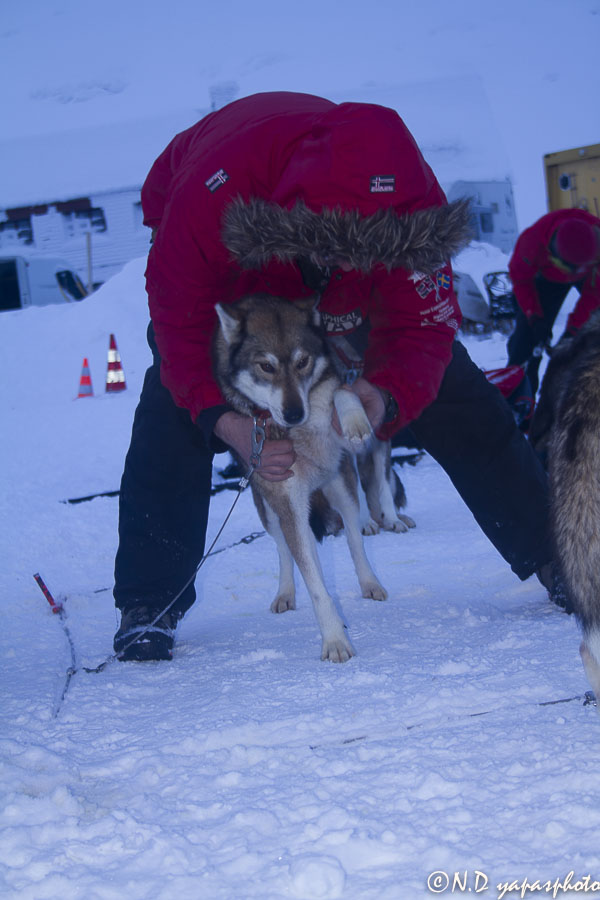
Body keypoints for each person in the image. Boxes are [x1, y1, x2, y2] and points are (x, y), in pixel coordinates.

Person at [113, 91, 554, 662]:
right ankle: (151, 597)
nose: (349, 266)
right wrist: (222, 419)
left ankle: (556, 552)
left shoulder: (413, 211)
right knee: (171, 406)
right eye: (339, 256)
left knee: (457, 390)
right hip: (236, 249)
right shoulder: (210, 200)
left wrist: (384, 389)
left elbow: (424, 328)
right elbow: (179, 323)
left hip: (317, 250)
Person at [507, 209, 600, 395]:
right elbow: (521, 280)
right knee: (524, 342)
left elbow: (594, 296)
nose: (571, 276)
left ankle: (576, 392)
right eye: (567, 268)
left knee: (590, 333)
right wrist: (533, 316)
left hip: (591, 274)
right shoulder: (531, 243)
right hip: (547, 280)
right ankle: (520, 400)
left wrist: (573, 332)